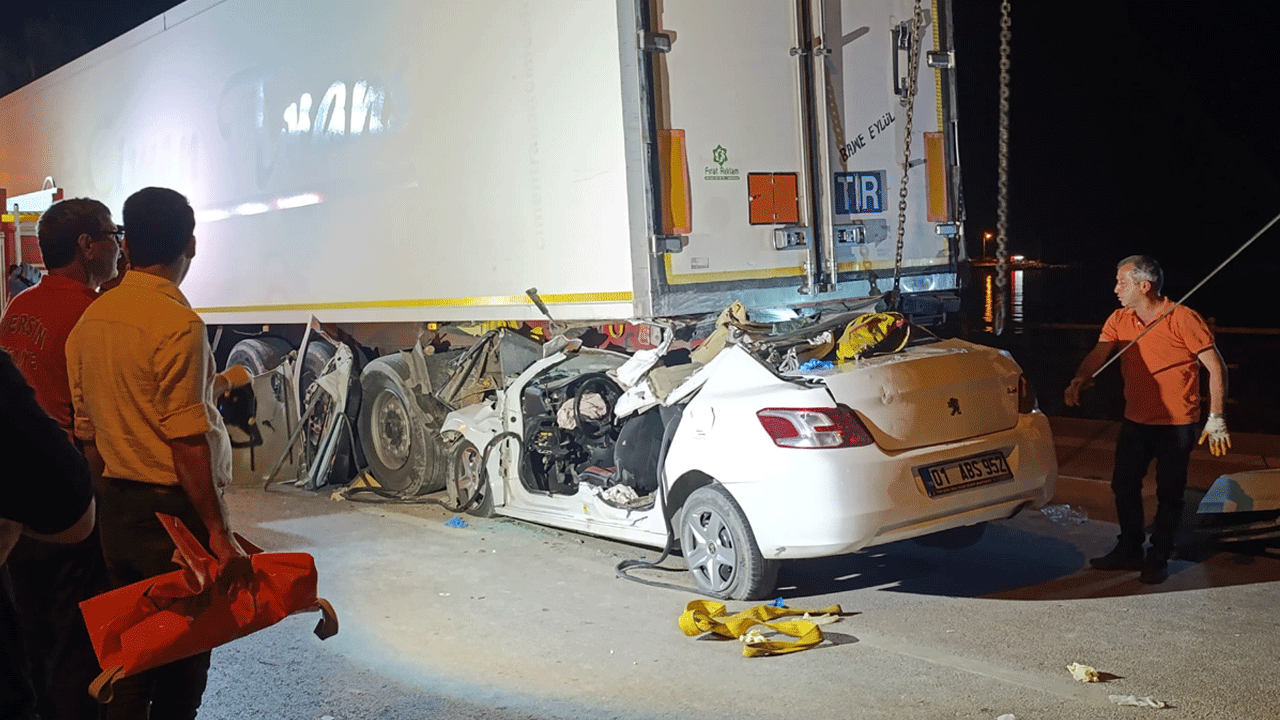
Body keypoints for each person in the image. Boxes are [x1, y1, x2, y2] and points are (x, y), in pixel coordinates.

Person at [66, 187, 253, 720]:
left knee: (133, 659)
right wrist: (217, 531)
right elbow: (186, 441)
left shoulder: (90, 322)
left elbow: (87, 435)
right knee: (182, 670)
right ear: (190, 245)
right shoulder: (179, 326)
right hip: (172, 518)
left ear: (126, 246)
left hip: (116, 510)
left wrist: (110, 502)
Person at [0, 197, 120, 720]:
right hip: (69, 494)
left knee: (30, 628)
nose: (119, 247)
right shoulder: (92, 315)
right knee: (77, 637)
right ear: (87, 246)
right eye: (112, 235)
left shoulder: (19, 306)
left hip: (17, 496)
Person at [1064, 255, 1230, 584]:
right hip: (1135, 420)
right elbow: (1099, 354)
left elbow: (1216, 367)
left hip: (1176, 423)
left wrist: (1217, 416)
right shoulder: (1119, 318)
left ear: (1144, 286)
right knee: (1123, 484)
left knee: (1170, 492)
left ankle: (1158, 555)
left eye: (1121, 282)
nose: (1115, 289)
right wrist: (1080, 378)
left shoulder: (1183, 318)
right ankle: (1129, 547)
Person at [1, 348, 98, 720]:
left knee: (34, 626)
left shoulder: (21, 313)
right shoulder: (81, 319)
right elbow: (72, 508)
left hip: (30, 496)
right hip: (44, 497)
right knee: (70, 641)